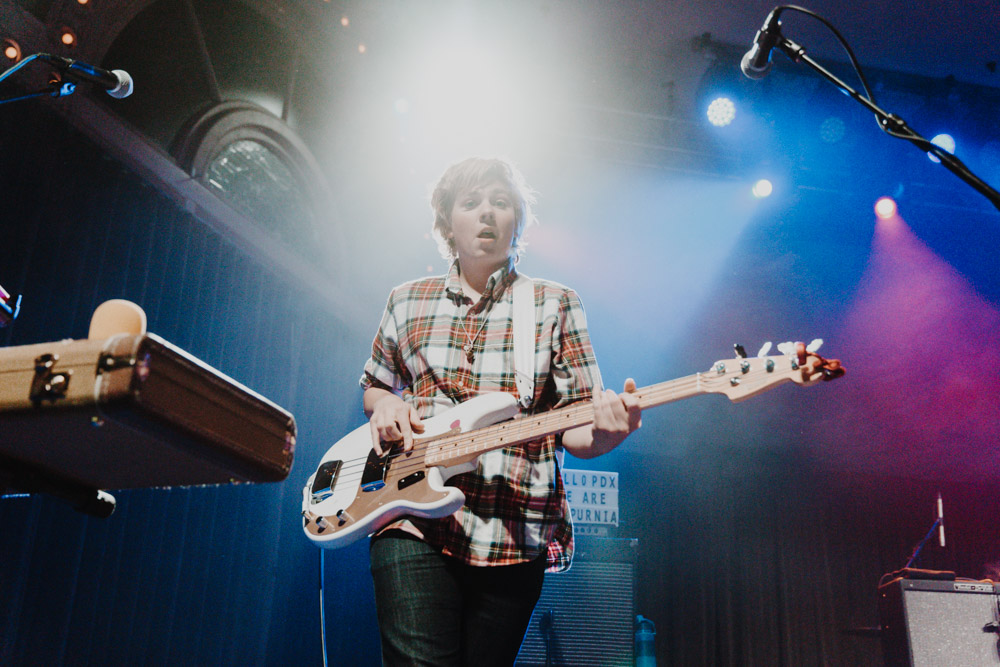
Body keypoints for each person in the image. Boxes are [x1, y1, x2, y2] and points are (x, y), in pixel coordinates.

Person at [360, 157, 642, 666]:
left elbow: (577, 429)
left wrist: (608, 433)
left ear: (518, 219)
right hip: (412, 517)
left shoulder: (555, 304)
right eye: (471, 203)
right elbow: (376, 388)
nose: (487, 213)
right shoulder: (406, 301)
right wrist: (386, 407)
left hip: (513, 530)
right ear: (448, 222)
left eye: (501, 202)